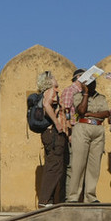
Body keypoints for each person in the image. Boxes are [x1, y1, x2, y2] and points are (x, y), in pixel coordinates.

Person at [65, 69, 109, 203]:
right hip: (82, 128)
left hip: (98, 129)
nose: (92, 84)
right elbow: (81, 111)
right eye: (89, 82)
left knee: (94, 166)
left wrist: (91, 114)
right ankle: (73, 197)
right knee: (78, 165)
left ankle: (90, 196)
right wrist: (85, 93)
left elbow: (106, 113)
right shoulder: (78, 95)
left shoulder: (101, 98)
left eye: (93, 82)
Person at [32, 71, 68, 207]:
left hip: (48, 133)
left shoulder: (44, 93)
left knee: (51, 165)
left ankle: (49, 200)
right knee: (55, 166)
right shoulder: (50, 91)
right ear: (48, 81)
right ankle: (45, 200)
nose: (56, 78)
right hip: (53, 133)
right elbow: (47, 105)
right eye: (53, 77)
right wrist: (58, 123)